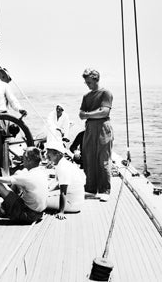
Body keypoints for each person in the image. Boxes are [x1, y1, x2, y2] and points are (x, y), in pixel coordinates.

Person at [0, 147, 48, 224]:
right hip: (39, 214)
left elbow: (1, 180)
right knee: (18, 173)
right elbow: (19, 175)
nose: (22, 161)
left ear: (28, 160)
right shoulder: (42, 171)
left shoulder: (27, 177)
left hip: (27, 215)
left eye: (23, 158)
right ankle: (5, 204)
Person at [79, 68, 114, 202]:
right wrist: (94, 113)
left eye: (89, 82)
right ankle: (91, 189)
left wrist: (88, 114)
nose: (87, 84)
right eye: (86, 82)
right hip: (90, 129)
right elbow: (81, 115)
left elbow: (104, 112)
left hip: (103, 128)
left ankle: (105, 190)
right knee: (89, 159)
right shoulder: (86, 97)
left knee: (103, 160)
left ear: (96, 79)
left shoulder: (106, 93)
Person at [45, 141, 86, 220]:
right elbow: (59, 184)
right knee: (44, 194)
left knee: (39, 199)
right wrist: (48, 190)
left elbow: (63, 192)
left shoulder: (62, 168)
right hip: (76, 199)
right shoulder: (63, 163)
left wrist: (61, 212)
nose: (46, 155)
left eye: (49, 153)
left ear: (57, 154)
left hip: (72, 203)